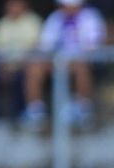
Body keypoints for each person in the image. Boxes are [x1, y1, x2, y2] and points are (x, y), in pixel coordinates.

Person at [21, 0, 106, 129]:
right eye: (64, 6)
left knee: (80, 65)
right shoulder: (55, 18)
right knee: (35, 67)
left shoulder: (90, 16)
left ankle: (82, 109)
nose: (66, 9)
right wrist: (48, 59)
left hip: (82, 60)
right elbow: (45, 45)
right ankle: (35, 111)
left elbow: (93, 45)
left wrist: (71, 58)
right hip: (57, 61)